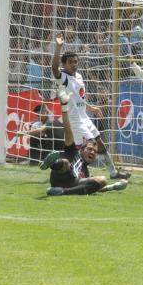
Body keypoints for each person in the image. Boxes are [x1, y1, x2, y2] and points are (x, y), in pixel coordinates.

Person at [51, 34, 130, 180]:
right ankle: (80, 173)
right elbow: (54, 68)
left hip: (84, 117)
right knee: (87, 148)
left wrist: (91, 107)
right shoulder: (63, 77)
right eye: (70, 62)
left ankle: (113, 172)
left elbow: (78, 98)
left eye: (75, 62)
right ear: (64, 64)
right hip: (74, 120)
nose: (74, 64)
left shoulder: (79, 76)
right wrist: (58, 47)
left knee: (99, 143)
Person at [41, 87, 128, 196]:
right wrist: (64, 106)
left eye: (95, 152)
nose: (92, 152)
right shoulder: (73, 152)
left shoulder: (86, 172)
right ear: (81, 150)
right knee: (66, 162)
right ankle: (51, 163)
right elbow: (68, 130)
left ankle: (62, 192)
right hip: (59, 177)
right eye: (90, 149)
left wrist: (114, 186)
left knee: (102, 179)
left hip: (72, 184)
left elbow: (94, 187)